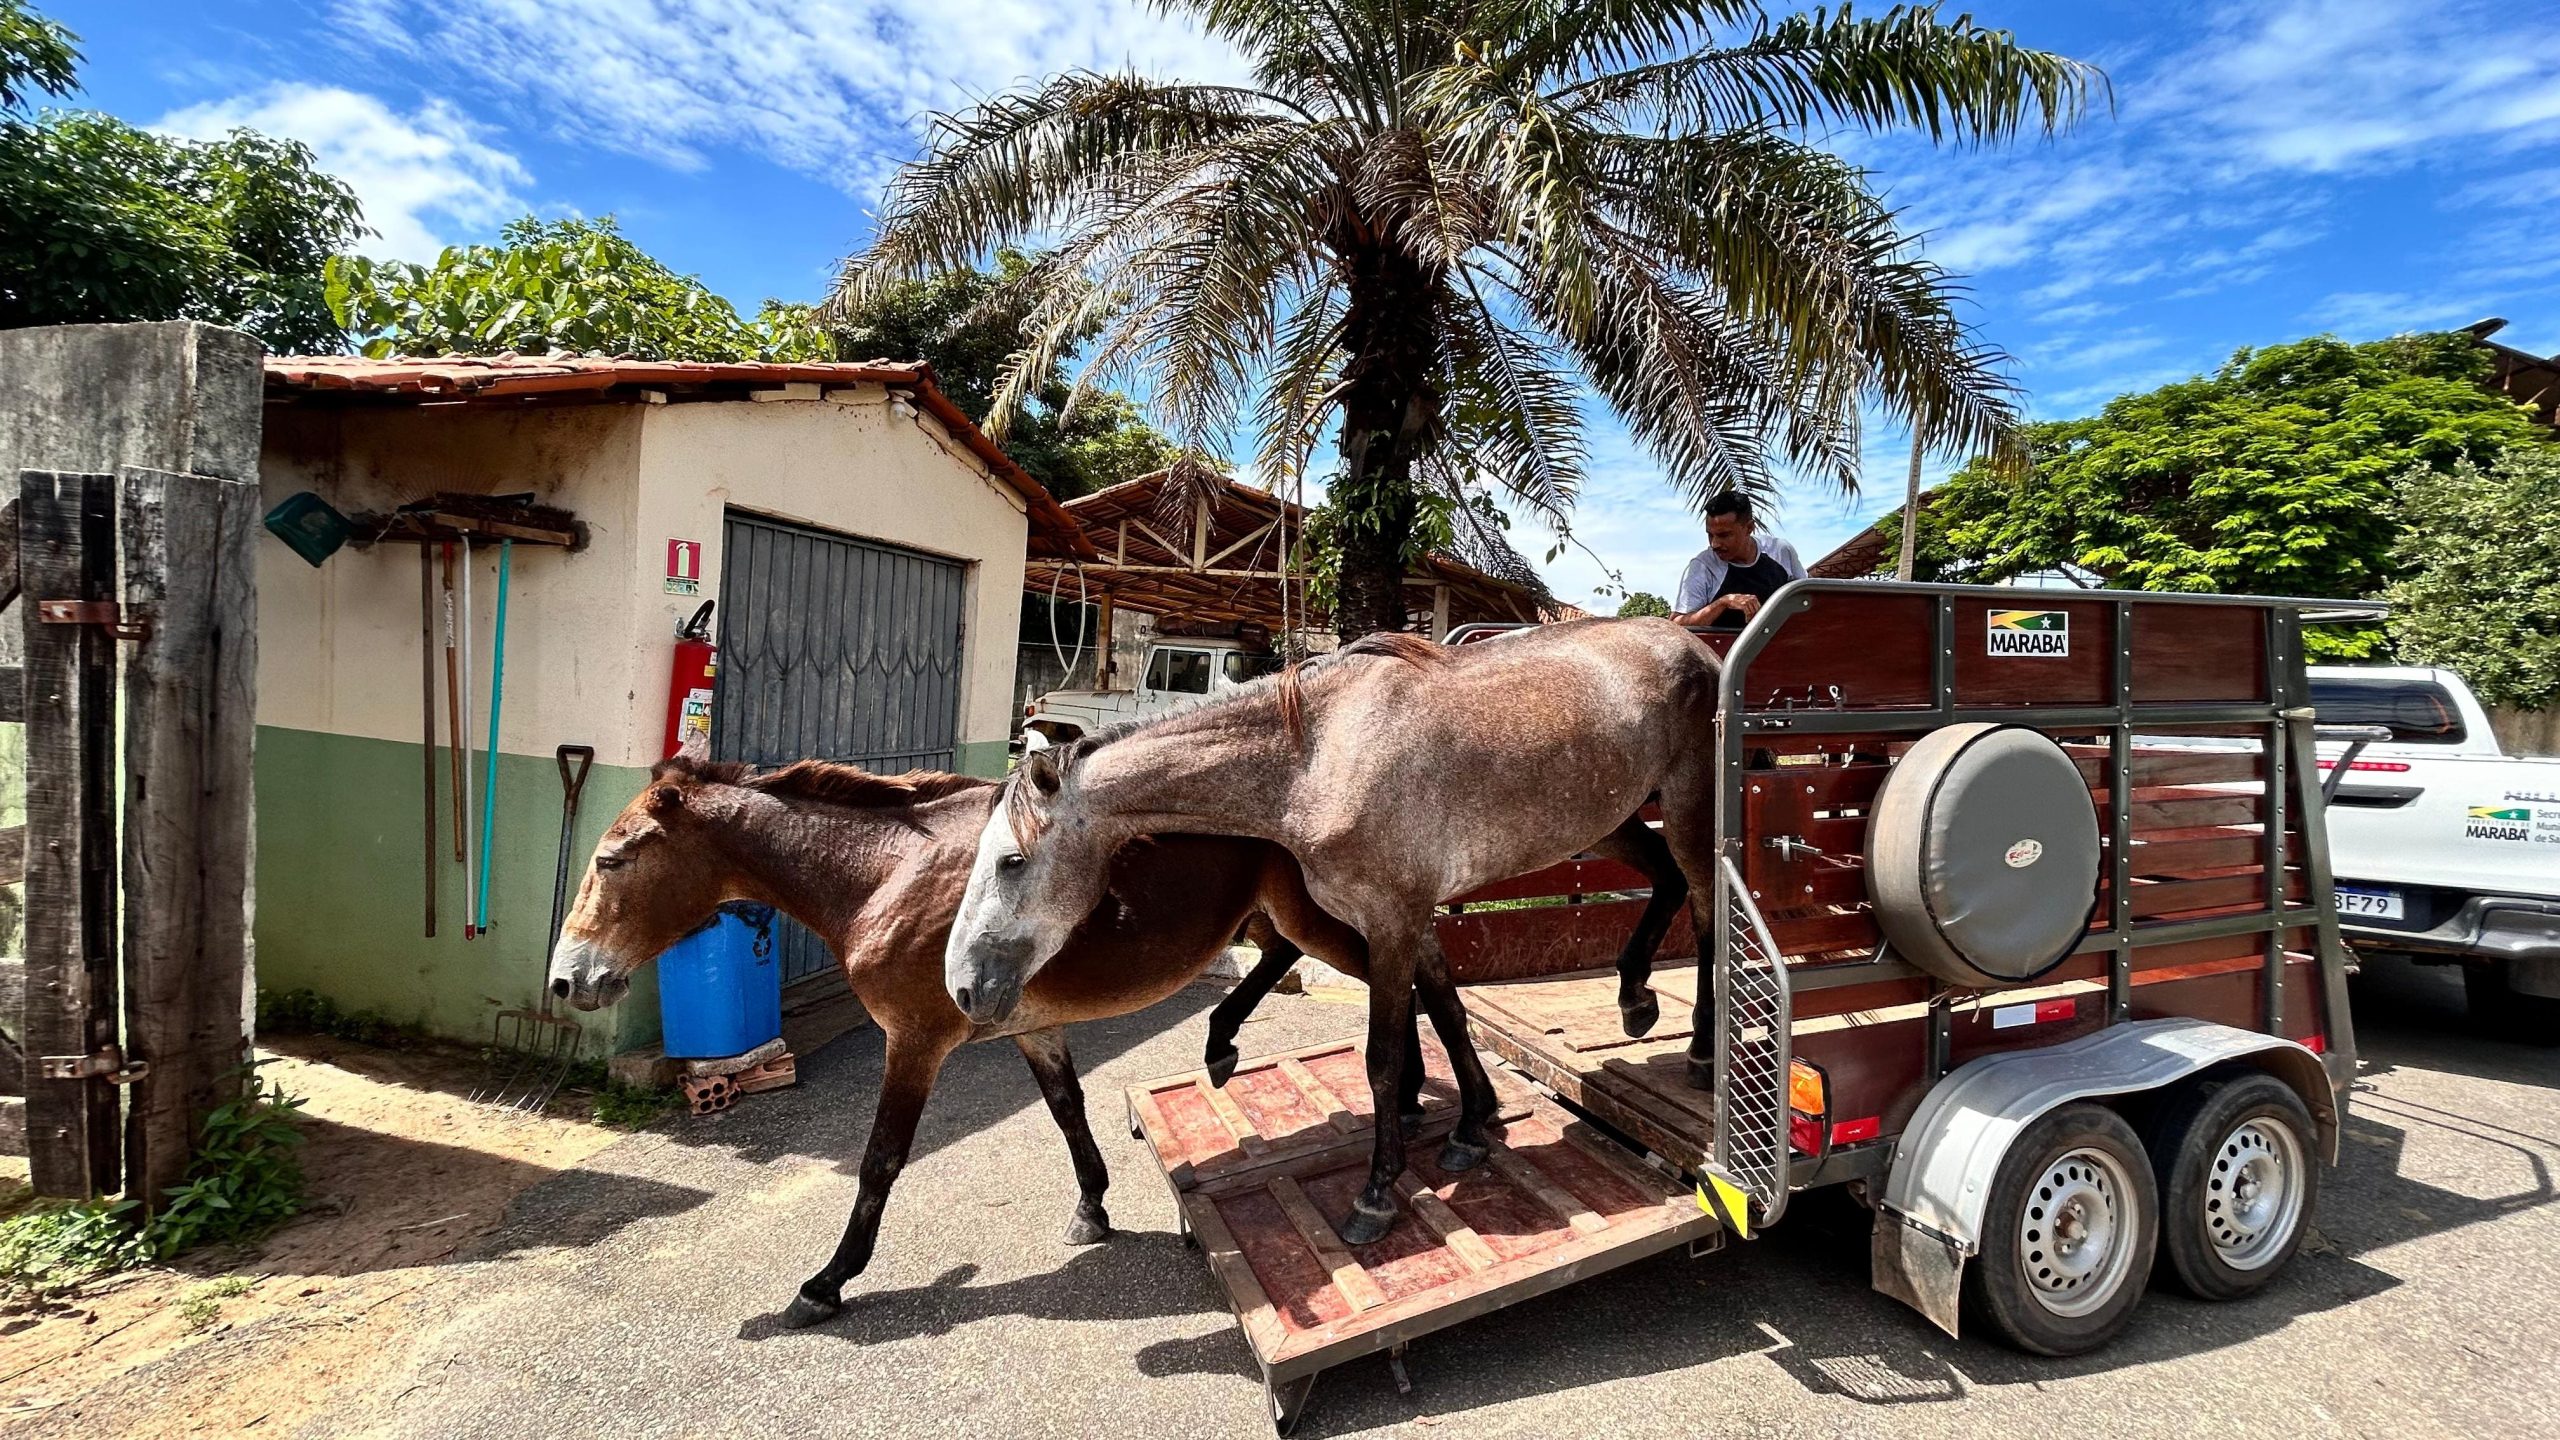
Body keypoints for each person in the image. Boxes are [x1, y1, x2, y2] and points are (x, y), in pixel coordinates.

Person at [1671, 493, 1806, 630]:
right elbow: (1676, 625)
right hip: (1722, 651)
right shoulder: (1702, 567)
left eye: (1724, 535)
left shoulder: (1781, 551)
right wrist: (1722, 603)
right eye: (1710, 534)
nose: (1714, 544)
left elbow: (1810, 598)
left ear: (1749, 528)